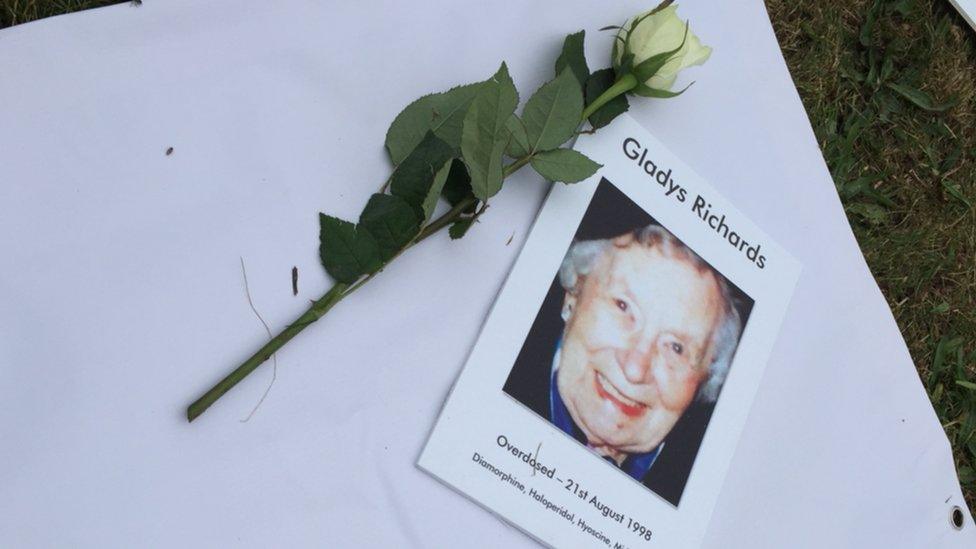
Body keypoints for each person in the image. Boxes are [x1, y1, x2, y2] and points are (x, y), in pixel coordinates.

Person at [549, 224, 742, 481]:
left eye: (676, 347)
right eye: (622, 306)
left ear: (707, 375)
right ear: (573, 297)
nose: (635, 369)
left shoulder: (698, 481)